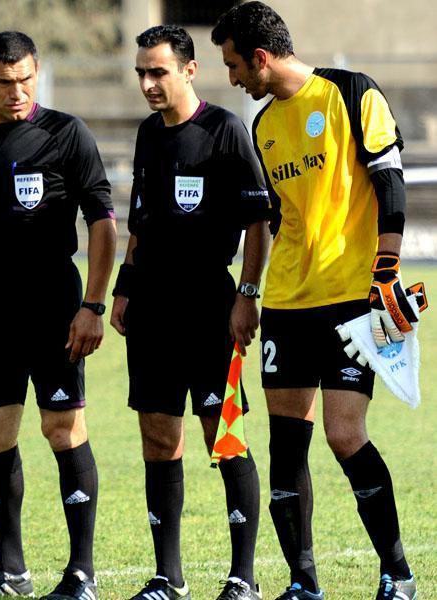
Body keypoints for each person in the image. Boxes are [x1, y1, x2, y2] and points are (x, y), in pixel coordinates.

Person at [211, 4, 419, 600]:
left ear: (261, 58)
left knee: (344, 434)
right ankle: (303, 584)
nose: (233, 79)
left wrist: (386, 269)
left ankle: (398, 574)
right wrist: (250, 294)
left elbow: (390, 181)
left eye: (234, 66)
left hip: (354, 297)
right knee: (286, 443)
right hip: (286, 304)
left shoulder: (351, 92)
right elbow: (275, 218)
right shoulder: (263, 126)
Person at [0, 31, 116, 600]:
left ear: (36, 74)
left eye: (25, 80)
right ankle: (9, 569)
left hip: (55, 302)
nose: (17, 92)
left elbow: (102, 222)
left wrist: (93, 305)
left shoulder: (67, 133)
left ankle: (81, 573)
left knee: (62, 428)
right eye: (4, 81)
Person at [109, 25, 269, 600]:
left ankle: (243, 577)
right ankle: (167, 576)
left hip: (209, 307)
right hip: (152, 309)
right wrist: (124, 288)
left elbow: (258, 222)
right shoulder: (148, 134)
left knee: (223, 437)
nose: (148, 84)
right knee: (157, 437)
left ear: (189, 70)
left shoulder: (224, 129)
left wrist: (247, 294)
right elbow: (139, 221)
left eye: (158, 72)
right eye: (141, 73)